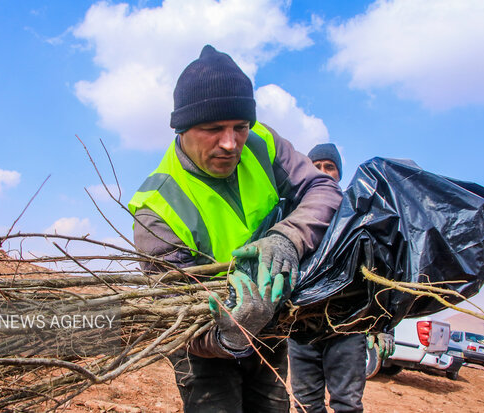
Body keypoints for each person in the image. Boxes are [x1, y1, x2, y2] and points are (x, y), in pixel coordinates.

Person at [128, 45, 343, 413]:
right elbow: (173, 312)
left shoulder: (262, 142)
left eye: (239, 127)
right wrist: (227, 335)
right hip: (205, 343)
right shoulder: (156, 208)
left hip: (270, 325)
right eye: (213, 129)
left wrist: (288, 237)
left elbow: (322, 189)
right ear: (182, 129)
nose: (231, 144)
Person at [288, 143, 395, 413]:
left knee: (347, 404)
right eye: (316, 166)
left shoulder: (357, 214)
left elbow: (380, 271)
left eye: (329, 167)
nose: (323, 171)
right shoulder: (294, 211)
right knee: (305, 404)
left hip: (347, 326)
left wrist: (384, 326)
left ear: (339, 174)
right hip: (301, 327)